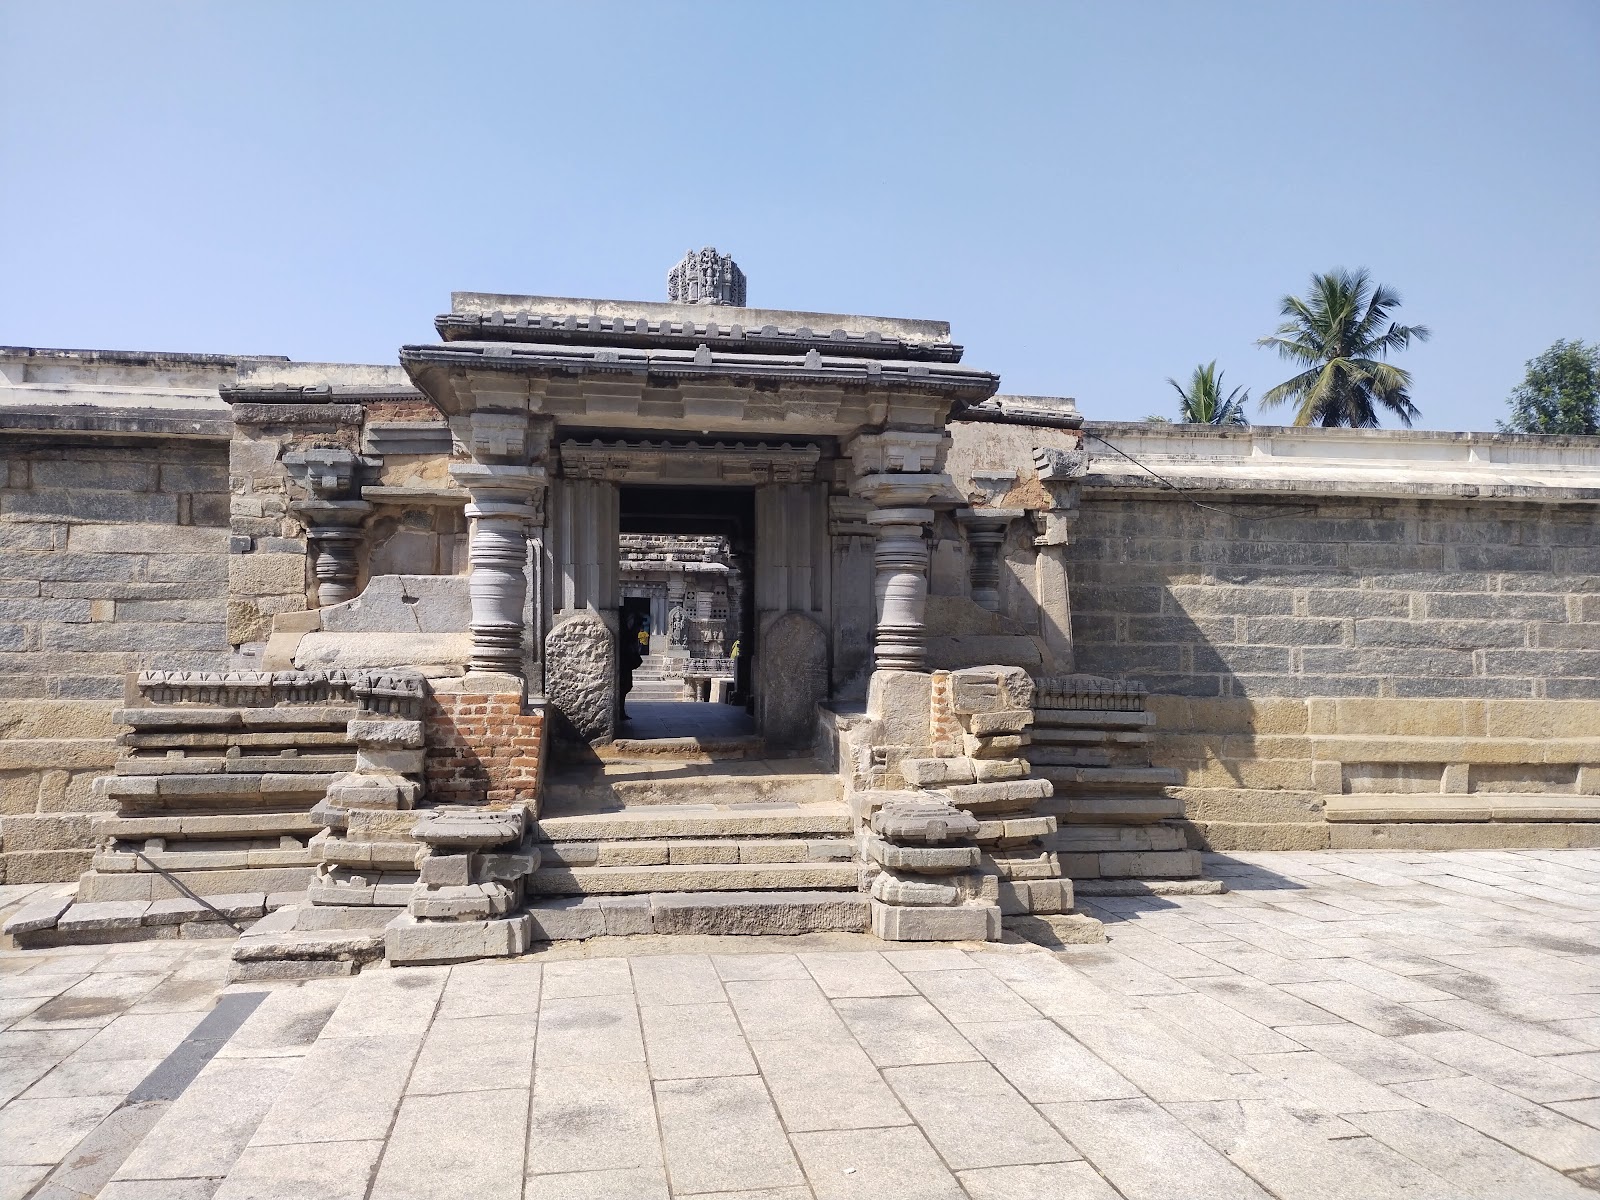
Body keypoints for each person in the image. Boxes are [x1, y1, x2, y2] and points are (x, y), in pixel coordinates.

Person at [619, 610, 645, 720]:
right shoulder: (624, 633)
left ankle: (621, 710)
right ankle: (620, 711)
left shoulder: (629, 632)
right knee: (624, 686)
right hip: (623, 662)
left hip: (626, 663)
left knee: (627, 686)